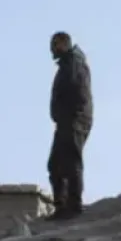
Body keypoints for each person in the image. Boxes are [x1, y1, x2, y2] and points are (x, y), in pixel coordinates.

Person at [47, 32, 93, 221]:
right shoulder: (68, 64)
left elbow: (76, 92)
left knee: (71, 162)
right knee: (55, 164)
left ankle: (73, 205)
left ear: (64, 44)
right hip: (66, 121)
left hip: (74, 121)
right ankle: (62, 206)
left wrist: (71, 117)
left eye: (55, 44)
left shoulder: (74, 64)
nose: (52, 49)